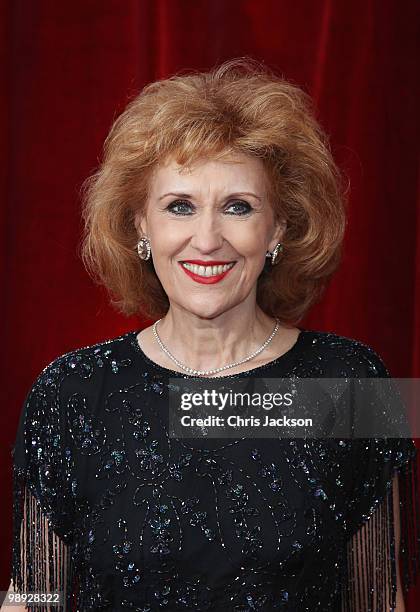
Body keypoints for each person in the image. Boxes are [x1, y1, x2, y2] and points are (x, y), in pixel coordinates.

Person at [5, 58, 419, 612]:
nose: (206, 239)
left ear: (278, 228)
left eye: (238, 208)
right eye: (180, 206)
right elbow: (33, 599)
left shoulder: (352, 384)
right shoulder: (70, 392)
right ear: (139, 225)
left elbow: (379, 603)